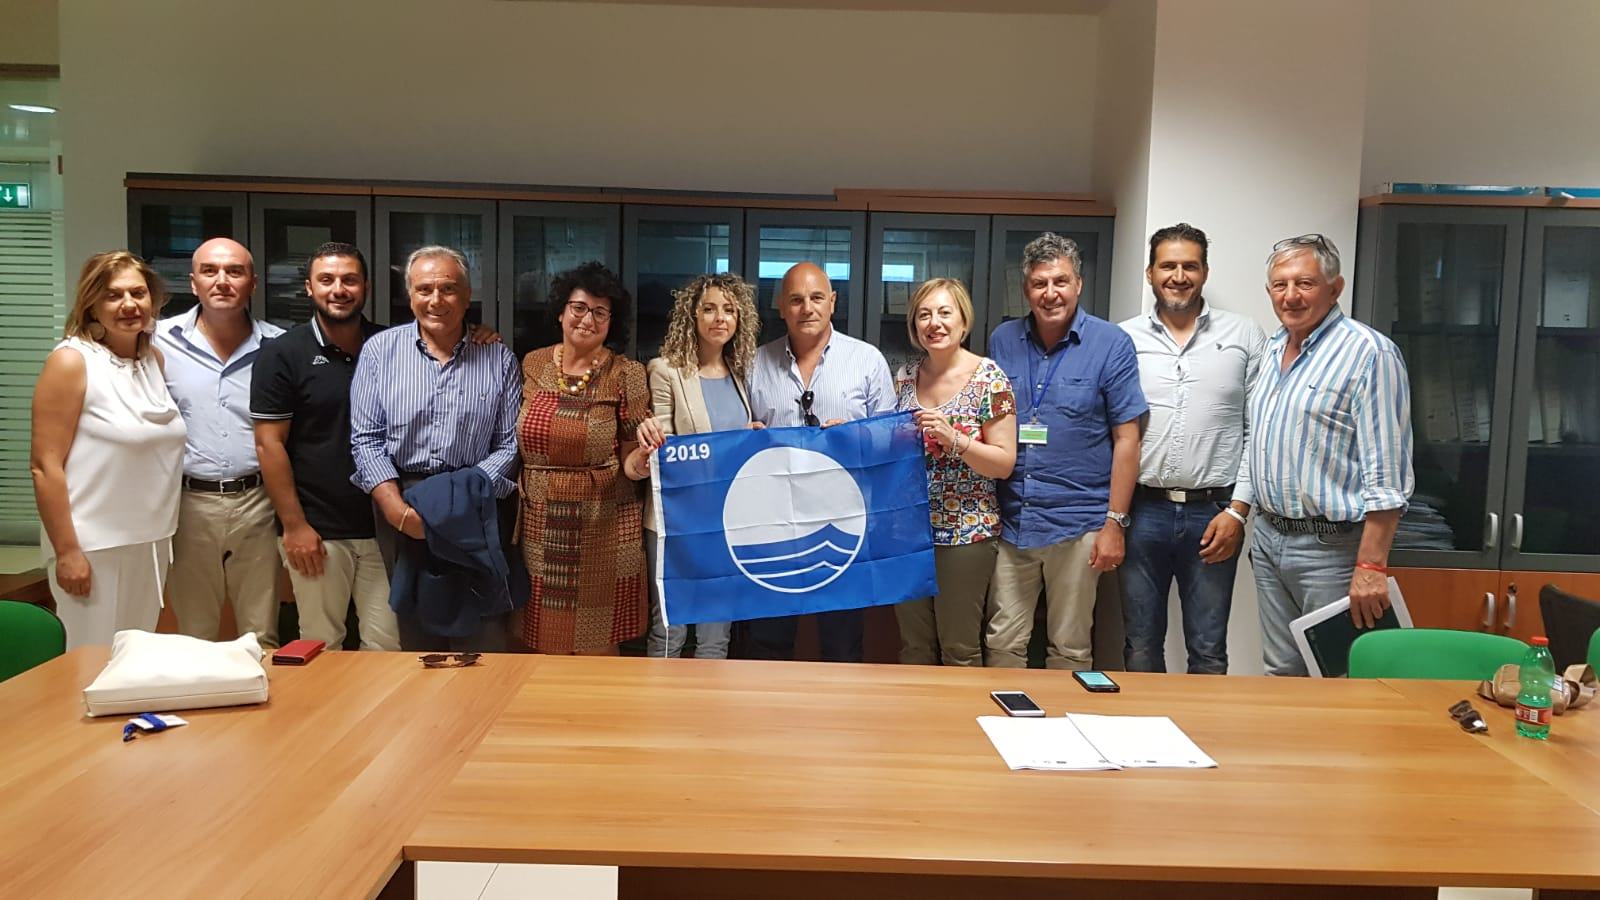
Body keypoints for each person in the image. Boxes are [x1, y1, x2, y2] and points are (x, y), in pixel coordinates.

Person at [1248, 234, 1413, 676]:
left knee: (1338, 677)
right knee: (1281, 671)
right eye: (1280, 285)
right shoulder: (1271, 350)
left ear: (1335, 288)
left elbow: (1387, 474)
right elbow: (1259, 441)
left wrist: (1371, 565)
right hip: (1269, 539)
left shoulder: (1369, 354)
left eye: (1305, 283)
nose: (1290, 296)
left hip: (1332, 550)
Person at [985, 233, 1147, 670]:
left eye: (1060, 281)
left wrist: (1115, 524)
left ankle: (1064, 715)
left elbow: (1127, 439)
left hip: (1079, 524)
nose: (1050, 293)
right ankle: (1005, 713)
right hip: (1013, 520)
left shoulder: (1111, 343)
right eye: (1039, 283)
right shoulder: (1003, 340)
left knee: (1070, 646)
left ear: (1078, 284)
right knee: (1002, 640)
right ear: (1026, 289)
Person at [349, 246, 523, 651]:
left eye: (448, 288)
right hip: (404, 500)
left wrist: (464, 502)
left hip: (476, 503)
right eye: (424, 289)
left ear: (467, 295)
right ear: (410, 295)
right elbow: (366, 438)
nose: (436, 299)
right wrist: (397, 512)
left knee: (483, 634)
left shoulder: (497, 357)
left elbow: (510, 443)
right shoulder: (380, 352)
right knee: (416, 634)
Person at [1117, 224, 1266, 674]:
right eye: (1168, 266)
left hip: (1215, 513)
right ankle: (1145, 723)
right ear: (1150, 273)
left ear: (1204, 272)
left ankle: (1199, 722)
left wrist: (1238, 512)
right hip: (1142, 511)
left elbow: (1258, 432)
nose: (1178, 276)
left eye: (1190, 266)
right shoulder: (1123, 339)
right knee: (1140, 645)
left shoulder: (1244, 335)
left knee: (1208, 647)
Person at [30, 251, 187, 650]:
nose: (129, 304)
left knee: (134, 661)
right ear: (91, 304)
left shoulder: (153, 360)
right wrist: (67, 551)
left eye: (138, 293)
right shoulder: (71, 362)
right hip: (92, 546)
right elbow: (45, 466)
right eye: (113, 295)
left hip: (150, 541)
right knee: (88, 664)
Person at [743, 262, 895, 662]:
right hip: (774, 524)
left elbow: (891, 442)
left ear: (833, 302)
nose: (806, 308)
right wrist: (747, 437)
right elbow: (738, 439)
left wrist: (857, 436)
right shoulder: (754, 363)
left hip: (843, 523)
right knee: (768, 641)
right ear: (780, 306)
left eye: (816, 298)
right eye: (796, 299)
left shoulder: (867, 360)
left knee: (842, 641)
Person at [251, 242, 399, 651]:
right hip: (318, 529)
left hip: (384, 526)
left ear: (366, 286)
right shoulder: (282, 354)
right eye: (327, 280)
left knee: (388, 648)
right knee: (320, 647)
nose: (339, 289)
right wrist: (294, 526)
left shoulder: (391, 346)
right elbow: (269, 445)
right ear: (309, 288)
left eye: (349, 280)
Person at [517, 262, 665, 655]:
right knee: (544, 638)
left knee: (598, 646)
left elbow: (632, 453)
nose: (588, 319)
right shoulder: (532, 363)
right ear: (561, 312)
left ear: (611, 322)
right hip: (540, 520)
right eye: (579, 308)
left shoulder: (626, 373)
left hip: (604, 523)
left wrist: (643, 459)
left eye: (601, 312)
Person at [155, 238, 285, 647]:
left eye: (235, 271)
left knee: (261, 635)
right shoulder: (156, 341)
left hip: (259, 502)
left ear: (253, 283)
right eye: (210, 271)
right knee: (194, 637)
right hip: (189, 505)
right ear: (193, 282)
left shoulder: (279, 347)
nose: (222, 281)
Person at [892, 278, 1017, 666]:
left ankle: (961, 710)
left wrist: (956, 440)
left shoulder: (989, 378)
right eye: (924, 315)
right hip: (909, 533)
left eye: (945, 312)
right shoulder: (905, 376)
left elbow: (1004, 462)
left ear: (964, 321)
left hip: (965, 533)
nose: (935, 323)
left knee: (959, 648)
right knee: (914, 647)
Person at [644, 273, 760, 659]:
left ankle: (709, 700)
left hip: (725, 519)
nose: (719, 318)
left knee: (716, 632)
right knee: (669, 629)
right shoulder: (665, 370)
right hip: (677, 520)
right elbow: (665, 452)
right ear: (692, 316)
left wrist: (749, 438)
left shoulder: (740, 374)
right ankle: (660, 699)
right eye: (709, 309)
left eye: (729, 310)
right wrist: (727, 450)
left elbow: (734, 443)